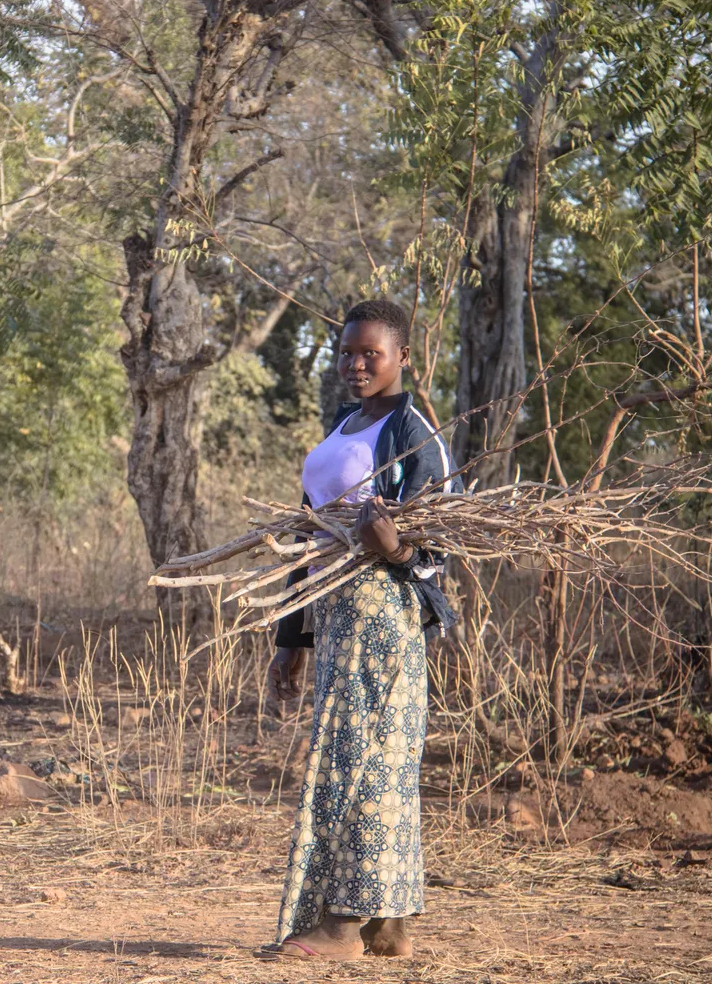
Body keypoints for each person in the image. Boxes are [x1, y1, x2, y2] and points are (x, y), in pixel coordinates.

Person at [256, 299, 458, 961]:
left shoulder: (415, 436)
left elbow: (438, 551)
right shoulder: (345, 423)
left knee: (366, 764)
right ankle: (389, 928)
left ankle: (342, 924)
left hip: (384, 618)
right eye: (347, 352)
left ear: (403, 356)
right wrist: (291, 636)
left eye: (371, 352)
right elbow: (306, 540)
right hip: (335, 617)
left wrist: (396, 550)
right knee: (363, 761)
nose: (356, 363)